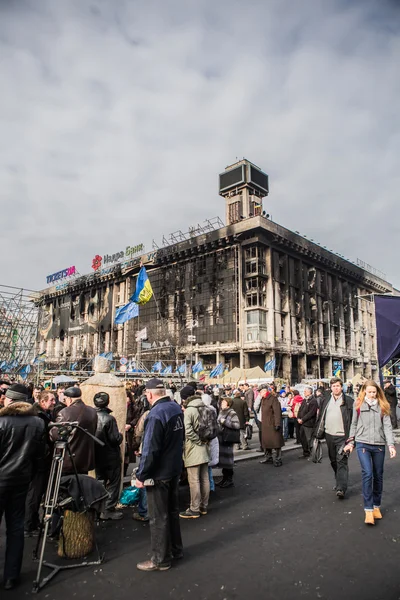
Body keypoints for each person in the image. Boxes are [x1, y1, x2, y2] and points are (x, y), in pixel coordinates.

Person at [135, 378, 184, 572]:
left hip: (159, 473)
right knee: (172, 512)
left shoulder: (155, 414)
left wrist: (141, 474)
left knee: (158, 517)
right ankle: (175, 549)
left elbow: (150, 449)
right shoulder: (174, 408)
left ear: (149, 395)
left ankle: (160, 559)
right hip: (173, 468)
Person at [0, 384, 45, 590]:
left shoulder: (1, 422)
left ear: (9, 401)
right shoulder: (37, 423)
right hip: (21, 480)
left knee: (15, 526)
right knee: (16, 527)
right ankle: (11, 576)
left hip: (2, 479)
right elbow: (39, 454)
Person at [344, 380, 396, 525]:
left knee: (378, 475)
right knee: (367, 473)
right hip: (363, 443)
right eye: (369, 392)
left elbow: (387, 427)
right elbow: (353, 424)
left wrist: (391, 445)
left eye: (374, 392)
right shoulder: (358, 404)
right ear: (364, 391)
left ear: (377, 392)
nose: (372, 395)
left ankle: (376, 506)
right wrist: (351, 442)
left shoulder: (383, 406)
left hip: (379, 444)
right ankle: (368, 509)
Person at [315, 377, 354, 499]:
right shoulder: (326, 400)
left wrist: (352, 438)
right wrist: (317, 432)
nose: (336, 388)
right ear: (330, 388)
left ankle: (341, 488)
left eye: (338, 385)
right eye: (333, 386)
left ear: (341, 387)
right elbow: (321, 416)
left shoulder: (348, 401)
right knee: (333, 460)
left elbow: (353, 419)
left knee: (341, 460)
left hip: (343, 436)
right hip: (329, 435)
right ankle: (339, 480)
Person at [25, 390, 56, 536]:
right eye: (51, 400)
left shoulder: (43, 415)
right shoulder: (38, 417)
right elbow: (37, 440)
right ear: (42, 402)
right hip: (38, 462)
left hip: (41, 460)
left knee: (37, 493)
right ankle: (29, 524)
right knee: (34, 493)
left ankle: (33, 521)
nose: (54, 402)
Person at [50, 386, 98, 474]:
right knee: (82, 484)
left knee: (67, 485)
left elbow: (55, 435)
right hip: (85, 458)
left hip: (69, 458)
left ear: (70, 399)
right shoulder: (92, 412)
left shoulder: (65, 412)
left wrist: (51, 429)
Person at [93, 392, 123, 520]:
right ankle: (108, 509)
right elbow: (115, 439)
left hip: (97, 455)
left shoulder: (91, 416)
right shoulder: (109, 419)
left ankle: (97, 508)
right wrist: (121, 435)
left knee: (100, 481)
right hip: (110, 456)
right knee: (113, 483)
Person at [180, 392, 210, 519]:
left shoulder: (189, 411)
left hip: (193, 448)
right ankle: (204, 506)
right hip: (205, 447)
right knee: (205, 479)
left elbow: (187, 430)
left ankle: (194, 508)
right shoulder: (206, 409)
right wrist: (204, 441)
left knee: (194, 480)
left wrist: (197, 440)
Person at [216, 397, 240, 488]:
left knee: (228, 460)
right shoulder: (221, 411)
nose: (222, 403)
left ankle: (229, 480)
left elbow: (237, 425)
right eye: (222, 402)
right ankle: (224, 478)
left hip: (227, 439)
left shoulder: (232, 413)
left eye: (224, 402)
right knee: (223, 460)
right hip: (221, 438)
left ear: (228, 404)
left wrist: (225, 422)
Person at [259, 386, 284, 467]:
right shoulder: (263, 399)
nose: (259, 393)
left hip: (272, 424)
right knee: (266, 442)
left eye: (260, 392)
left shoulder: (273, 399)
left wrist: (277, 424)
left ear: (264, 391)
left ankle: (278, 459)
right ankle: (268, 458)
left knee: (276, 443)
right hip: (266, 425)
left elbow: (277, 412)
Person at [297, 387, 318, 459]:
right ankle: (305, 452)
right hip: (302, 423)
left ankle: (313, 454)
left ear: (310, 392)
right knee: (303, 439)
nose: (304, 392)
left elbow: (311, 413)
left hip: (309, 423)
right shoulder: (304, 400)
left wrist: (303, 419)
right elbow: (300, 410)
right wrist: (298, 418)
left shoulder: (313, 401)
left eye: (305, 391)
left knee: (309, 439)